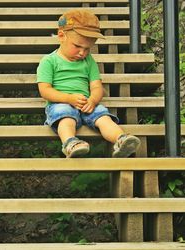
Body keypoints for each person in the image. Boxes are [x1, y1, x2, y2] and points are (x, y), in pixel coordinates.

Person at [37, 8, 141, 158]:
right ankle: (70, 143)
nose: (82, 53)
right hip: (61, 103)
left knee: (103, 117)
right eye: (77, 46)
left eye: (87, 49)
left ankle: (122, 140)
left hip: (86, 104)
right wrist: (68, 99)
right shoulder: (49, 61)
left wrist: (93, 100)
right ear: (61, 36)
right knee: (65, 116)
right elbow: (45, 90)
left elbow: (97, 86)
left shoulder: (88, 61)